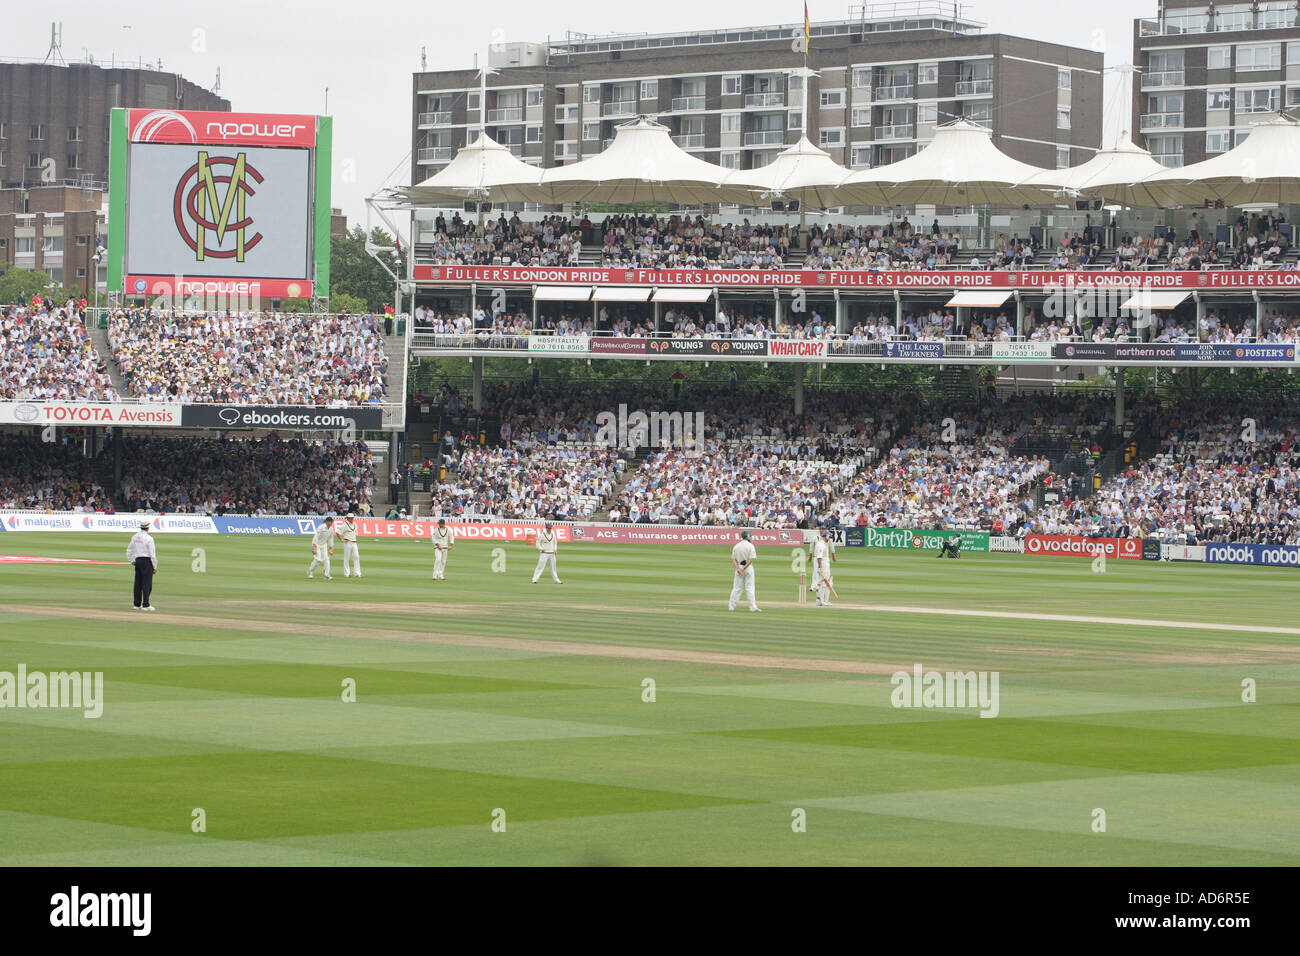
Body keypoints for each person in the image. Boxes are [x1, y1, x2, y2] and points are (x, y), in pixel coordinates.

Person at [126, 520, 158, 611]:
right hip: (146, 561)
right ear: (148, 528)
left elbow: (129, 549)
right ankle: (146, 604)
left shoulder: (135, 536)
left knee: (138, 583)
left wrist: (131, 560)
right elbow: (152, 554)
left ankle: (137, 604)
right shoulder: (149, 538)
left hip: (138, 560)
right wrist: (155, 566)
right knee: (147, 583)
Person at [729, 529, 760, 612]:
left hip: (739, 567)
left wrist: (738, 569)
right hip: (748, 568)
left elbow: (733, 559)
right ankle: (753, 607)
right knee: (750, 588)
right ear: (748, 536)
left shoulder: (736, 546)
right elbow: (750, 560)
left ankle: (731, 606)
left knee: (737, 588)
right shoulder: (750, 546)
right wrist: (743, 568)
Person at [812, 529, 834, 607]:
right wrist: (820, 568)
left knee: (825, 583)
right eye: (829, 537)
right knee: (824, 583)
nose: (830, 538)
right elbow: (819, 557)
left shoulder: (823, 544)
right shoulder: (821, 545)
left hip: (825, 565)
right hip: (824, 566)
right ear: (826, 536)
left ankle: (822, 601)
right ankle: (822, 601)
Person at [340, 512, 362, 578]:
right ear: (347, 518)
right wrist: (342, 539)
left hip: (354, 542)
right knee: (347, 558)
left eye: (352, 518)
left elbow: (355, 533)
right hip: (347, 542)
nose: (351, 519)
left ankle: (357, 573)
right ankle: (347, 573)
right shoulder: (344, 525)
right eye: (350, 518)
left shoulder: (355, 524)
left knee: (356, 557)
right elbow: (338, 532)